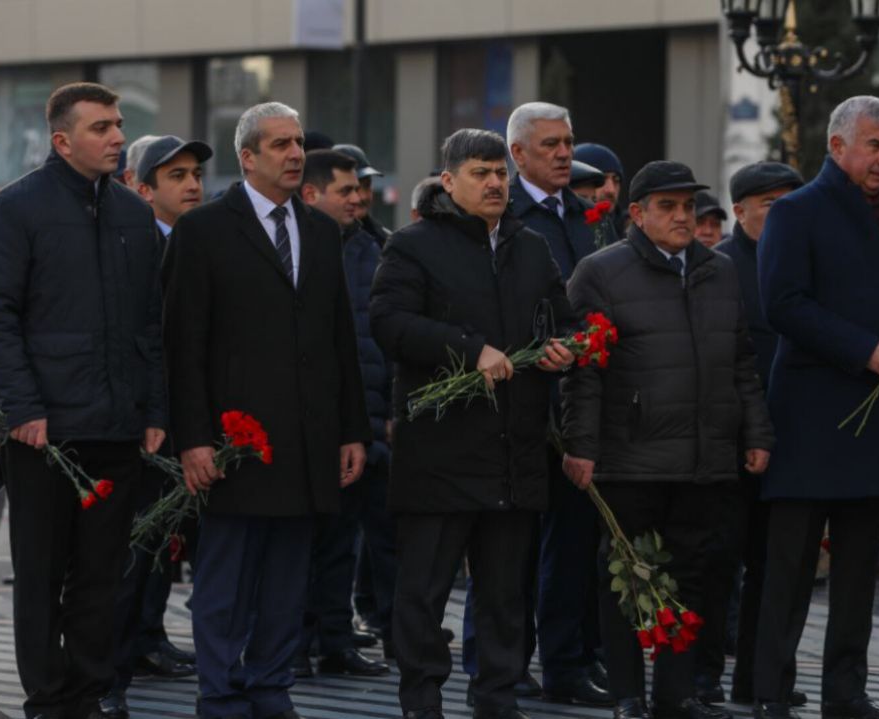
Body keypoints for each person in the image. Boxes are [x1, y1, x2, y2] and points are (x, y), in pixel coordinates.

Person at [162, 101, 370, 719]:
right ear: (247, 157)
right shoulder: (203, 231)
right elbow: (181, 344)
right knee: (225, 579)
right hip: (235, 444)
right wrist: (194, 437)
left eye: (298, 141)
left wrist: (351, 429)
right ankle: (221, 691)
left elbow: (340, 340)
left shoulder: (323, 231)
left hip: (307, 440)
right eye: (279, 144)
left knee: (288, 578)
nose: (294, 153)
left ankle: (270, 685)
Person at [0, 82, 169, 719]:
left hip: (117, 428)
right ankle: (48, 700)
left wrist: (156, 410)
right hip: (43, 433)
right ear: (62, 140)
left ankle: (89, 694)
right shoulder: (15, 208)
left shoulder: (134, 214)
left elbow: (154, 323)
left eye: (118, 125)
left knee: (101, 576)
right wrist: (22, 408)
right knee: (41, 574)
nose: (116, 137)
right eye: (102, 127)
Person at [372, 127, 577, 719]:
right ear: (448, 180)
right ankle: (422, 701)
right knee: (424, 592)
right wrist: (470, 349)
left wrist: (562, 347)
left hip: (514, 453)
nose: (494, 183)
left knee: (506, 596)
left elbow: (560, 318)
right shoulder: (412, 245)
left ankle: (496, 700)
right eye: (480, 173)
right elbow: (390, 324)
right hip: (440, 451)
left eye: (500, 173)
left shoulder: (530, 245)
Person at [561, 160, 774, 719]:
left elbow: (742, 361)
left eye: (687, 206)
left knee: (691, 576)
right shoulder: (600, 272)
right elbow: (583, 372)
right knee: (627, 578)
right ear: (636, 213)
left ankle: (675, 695)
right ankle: (629, 694)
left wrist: (755, 431)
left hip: (704, 455)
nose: (682, 217)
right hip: (630, 456)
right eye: (667, 206)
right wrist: (580, 447)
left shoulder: (719, 269)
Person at [752, 96, 879, 719]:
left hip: (877, 418)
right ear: (837, 147)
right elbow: (783, 303)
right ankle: (769, 692)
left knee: (858, 573)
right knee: (792, 569)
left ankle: (846, 695)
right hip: (810, 419)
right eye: (874, 145)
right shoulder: (796, 213)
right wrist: (862, 349)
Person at [101, 134, 214, 718]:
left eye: (195, 173)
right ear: (141, 189)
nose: (193, 184)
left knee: (167, 550)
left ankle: (147, 639)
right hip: (140, 425)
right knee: (129, 552)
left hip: (192, 425)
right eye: (176, 176)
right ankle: (109, 673)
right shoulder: (131, 245)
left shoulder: (204, 242)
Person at [502, 100, 606, 708]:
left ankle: (565, 666)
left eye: (568, 141)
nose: (566, 153)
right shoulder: (501, 214)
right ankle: (506, 663)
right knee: (509, 546)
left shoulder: (586, 217)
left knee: (571, 544)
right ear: (517, 155)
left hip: (577, 403)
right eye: (550, 145)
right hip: (518, 401)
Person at [700, 162, 805, 709]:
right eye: (768, 202)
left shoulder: (806, 261)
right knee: (718, 565)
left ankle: (762, 679)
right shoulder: (717, 268)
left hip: (789, 443)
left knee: (774, 567)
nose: (781, 211)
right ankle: (706, 675)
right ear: (738, 211)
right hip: (729, 441)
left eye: (790, 200)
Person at [288, 149, 392, 679]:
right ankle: (294, 645)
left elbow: (382, 339)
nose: (359, 198)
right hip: (307, 424)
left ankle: (334, 642)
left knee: (340, 545)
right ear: (311, 194)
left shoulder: (377, 247)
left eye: (360, 190)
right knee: (302, 543)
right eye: (346, 191)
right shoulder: (295, 246)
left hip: (363, 422)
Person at [333, 143, 391, 245]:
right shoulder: (307, 237)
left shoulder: (385, 240)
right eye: (351, 188)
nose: (362, 196)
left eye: (367, 185)